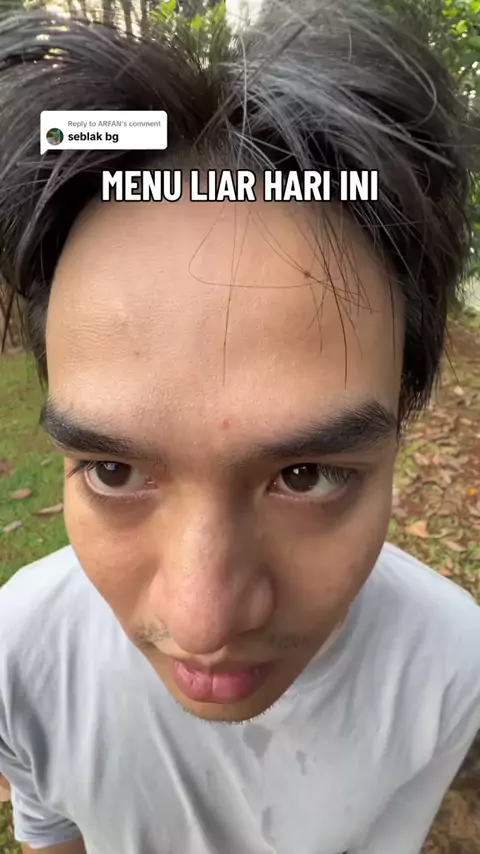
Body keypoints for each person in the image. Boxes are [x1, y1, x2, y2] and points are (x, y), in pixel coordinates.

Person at [0, 1, 478, 852]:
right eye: (112, 470)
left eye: (306, 475)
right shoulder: (18, 657)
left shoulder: (452, 666)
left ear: (402, 423)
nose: (205, 623)